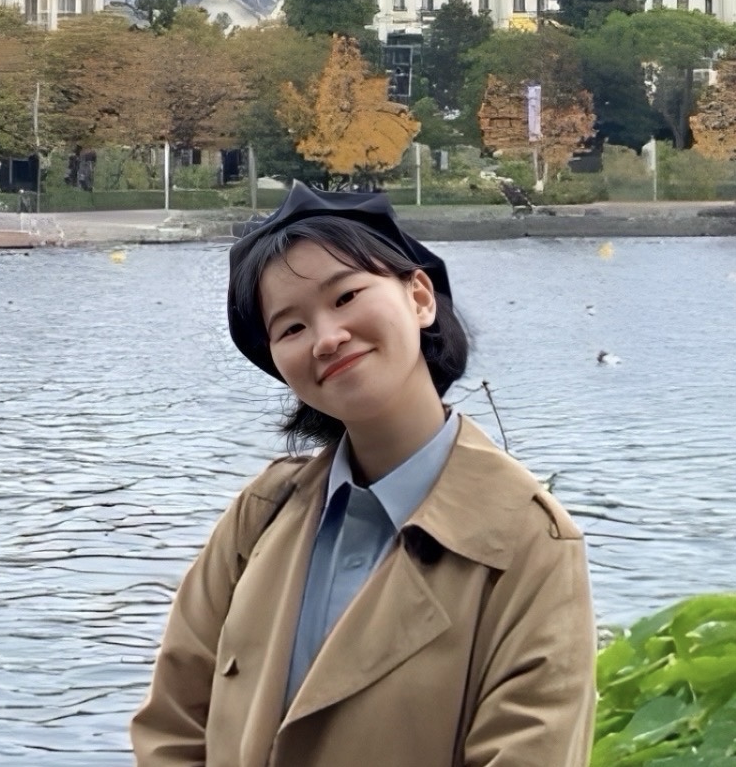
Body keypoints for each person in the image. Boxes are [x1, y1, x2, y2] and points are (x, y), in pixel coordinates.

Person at [131, 182, 596, 767]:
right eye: (292, 328)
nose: (327, 338)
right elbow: (173, 729)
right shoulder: (261, 516)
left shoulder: (526, 541)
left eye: (346, 296)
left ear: (419, 297)